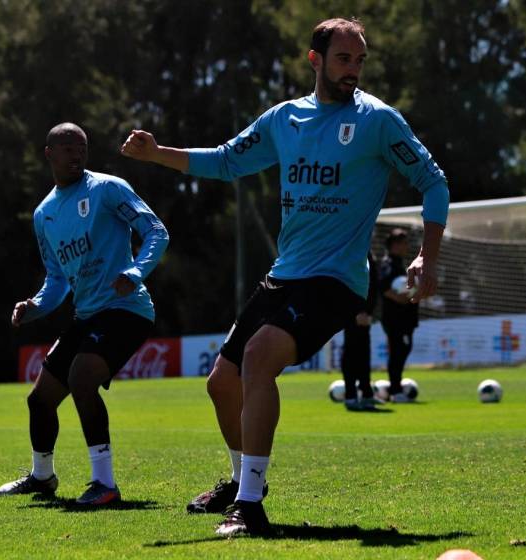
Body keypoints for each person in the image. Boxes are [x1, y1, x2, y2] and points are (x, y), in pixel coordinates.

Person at [120, 16, 448, 536]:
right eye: (344, 59)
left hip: (337, 279)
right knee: (221, 384)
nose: (353, 71)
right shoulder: (284, 119)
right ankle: (240, 481)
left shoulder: (378, 121)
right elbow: (227, 162)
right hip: (284, 275)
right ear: (315, 59)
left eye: (360, 60)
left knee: (257, 360)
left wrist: (426, 254)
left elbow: (434, 183)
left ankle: (250, 508)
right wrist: (158, 154)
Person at [0, 123, 169, 505]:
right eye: (67, 147)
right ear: (49, 153)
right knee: (39, 400)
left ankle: (104, 484)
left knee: (82, 377)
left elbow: (157, 231)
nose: (76, 154)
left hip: (127, 309)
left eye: (82, 147)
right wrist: (35, 306)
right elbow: (57, 279)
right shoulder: (44, 214)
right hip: (87, 315)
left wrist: (135, 272)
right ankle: (42, 477)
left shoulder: (107, 188)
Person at [379, 228, 420, 402]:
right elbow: (383, 287)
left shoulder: (400, 263)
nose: (407, 246)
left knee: (403, 350)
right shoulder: (388, 264)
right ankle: (395, 391)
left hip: (405, 316)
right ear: (395, 245)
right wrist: (400, 297)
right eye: (404, 242)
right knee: (397, 352)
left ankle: (395, 388)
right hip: (395, 317)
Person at [342, 251, 380, 411]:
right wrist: (355, 311)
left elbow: (373, 285)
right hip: (352, 312)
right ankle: (351, 395)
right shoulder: (348, 251)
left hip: (365, 313)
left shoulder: (367, 253)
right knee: (351, 352)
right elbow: (345, 282)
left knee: (364, 352)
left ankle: (366, 393)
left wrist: (368, 311)